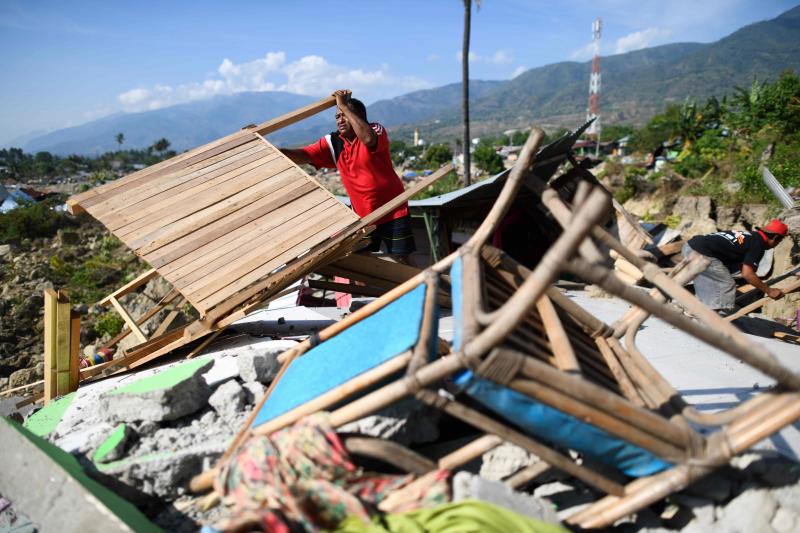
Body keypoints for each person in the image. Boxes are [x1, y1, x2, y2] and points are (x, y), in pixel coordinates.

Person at [280, 90, 415, 263]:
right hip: (362, 217)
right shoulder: (333, 142)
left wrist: (343, 104)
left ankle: (428, 289)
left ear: (358, 116)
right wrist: (264, 144)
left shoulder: (374, 129)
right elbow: (303, 154)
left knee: (403, 258)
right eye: (337, 116)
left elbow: (367, 139)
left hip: (392, 210)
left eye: (344, 115)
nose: (340, 120)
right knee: (359, 262)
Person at [682, 219, 789, 313]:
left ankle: (692, 309)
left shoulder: (750, 236)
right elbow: (747, 273)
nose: (779, 243)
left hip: (690, 246)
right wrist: (769, 291)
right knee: (726, 285)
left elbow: (741, 269)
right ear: (775, 237)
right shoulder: (758, 244)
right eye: (781, 240)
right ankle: (705, 318)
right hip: (703, 254)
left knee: (718, 277)